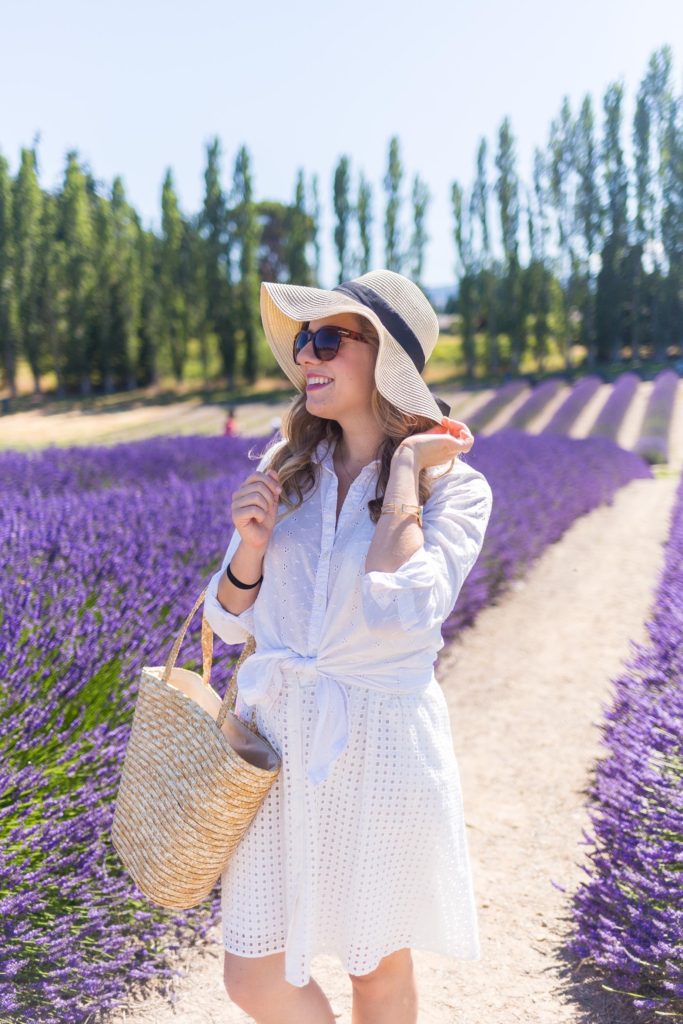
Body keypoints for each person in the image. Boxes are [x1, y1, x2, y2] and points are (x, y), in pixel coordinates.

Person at [202, 269, 494, 1024]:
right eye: (302, 338)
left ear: (384, 360)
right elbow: (228, 622)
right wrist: (250, 549)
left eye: (327, 336)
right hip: (276, 742)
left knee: (375, 970)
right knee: (252, 976)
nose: (306, 353)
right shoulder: (284, 469)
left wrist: (402, 475)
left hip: (380, 742)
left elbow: (404, 612)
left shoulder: (456, 490)